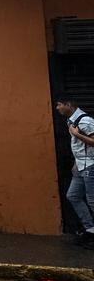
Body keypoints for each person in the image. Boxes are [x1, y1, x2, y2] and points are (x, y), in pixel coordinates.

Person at [56, 96, 94, 247]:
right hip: (80, 166)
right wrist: (75, 163)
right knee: (73, 195)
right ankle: (90, 229)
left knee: (92, 201)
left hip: (90, 165)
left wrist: (77, 134)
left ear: (68, 104)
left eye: (59, 105)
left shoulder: (85, 121)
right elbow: (78, 147)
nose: (57, 108)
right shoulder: (71, 121)